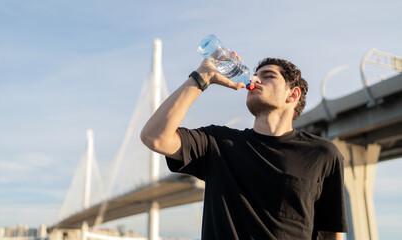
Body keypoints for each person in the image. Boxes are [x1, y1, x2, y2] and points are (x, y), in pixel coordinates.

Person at [140, 52, 348, 239]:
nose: (255, 79)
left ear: (292, 95)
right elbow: (154, 136)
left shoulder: (323, 154)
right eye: (256, 74)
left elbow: (330, 233)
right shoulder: (218, 144)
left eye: (268, 76)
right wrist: (201, 77)